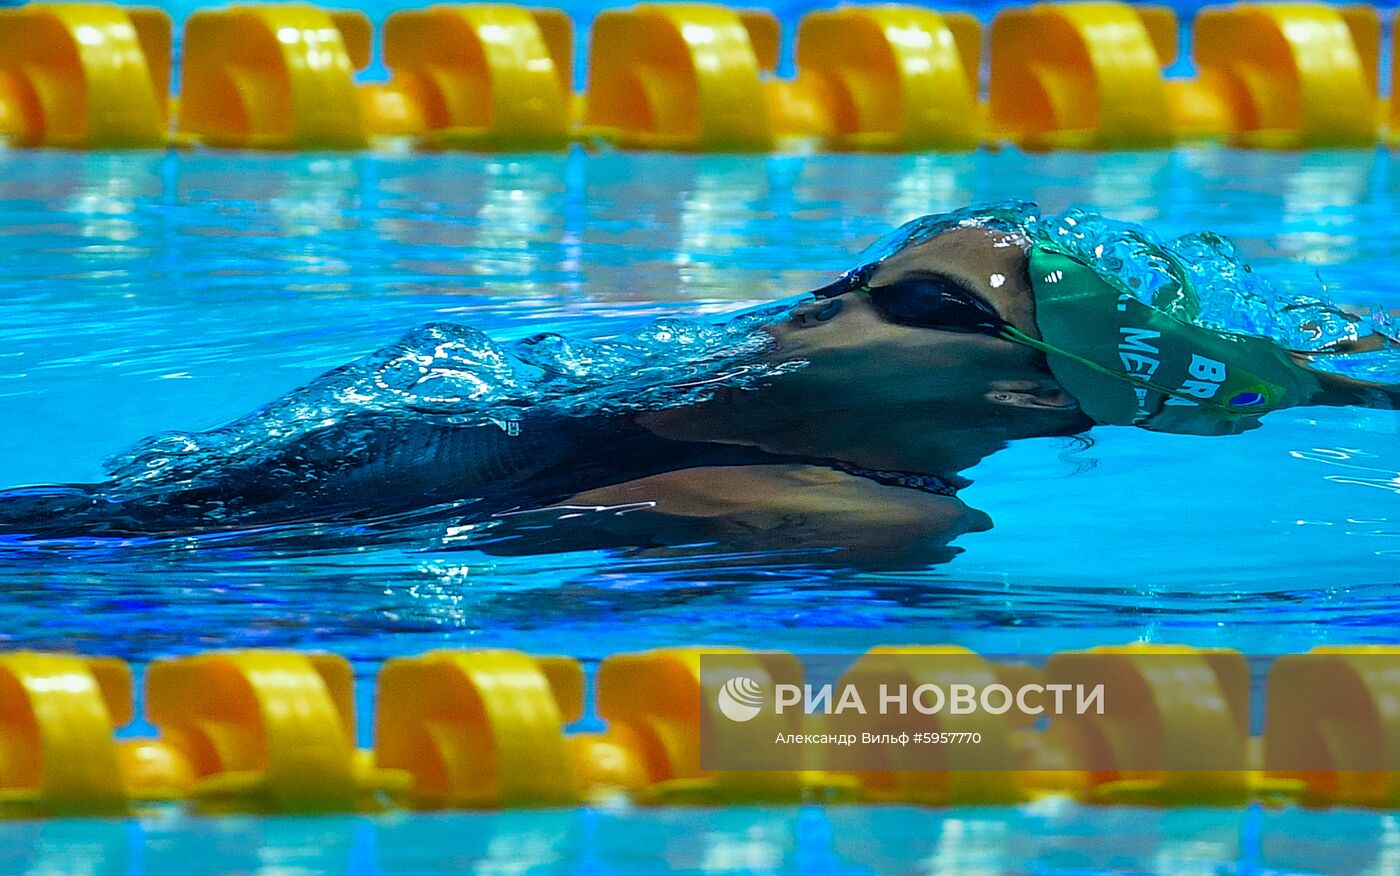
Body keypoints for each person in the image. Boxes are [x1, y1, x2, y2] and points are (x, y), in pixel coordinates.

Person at [2, 202, 1394, 568]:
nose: (826, 301)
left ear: (1032, 402)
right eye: (859, 273)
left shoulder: (865, 516)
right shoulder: (687, 384)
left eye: (911, 305)